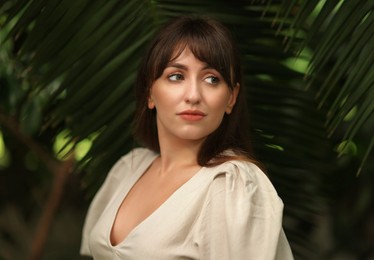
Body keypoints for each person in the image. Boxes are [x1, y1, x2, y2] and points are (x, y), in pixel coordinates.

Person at [80, 15, 294, 259]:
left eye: (212, 79)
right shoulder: (129, 168)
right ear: (150, 91)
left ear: (231, 98)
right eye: (176, 76)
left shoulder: (231, 183)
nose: (193, 95)